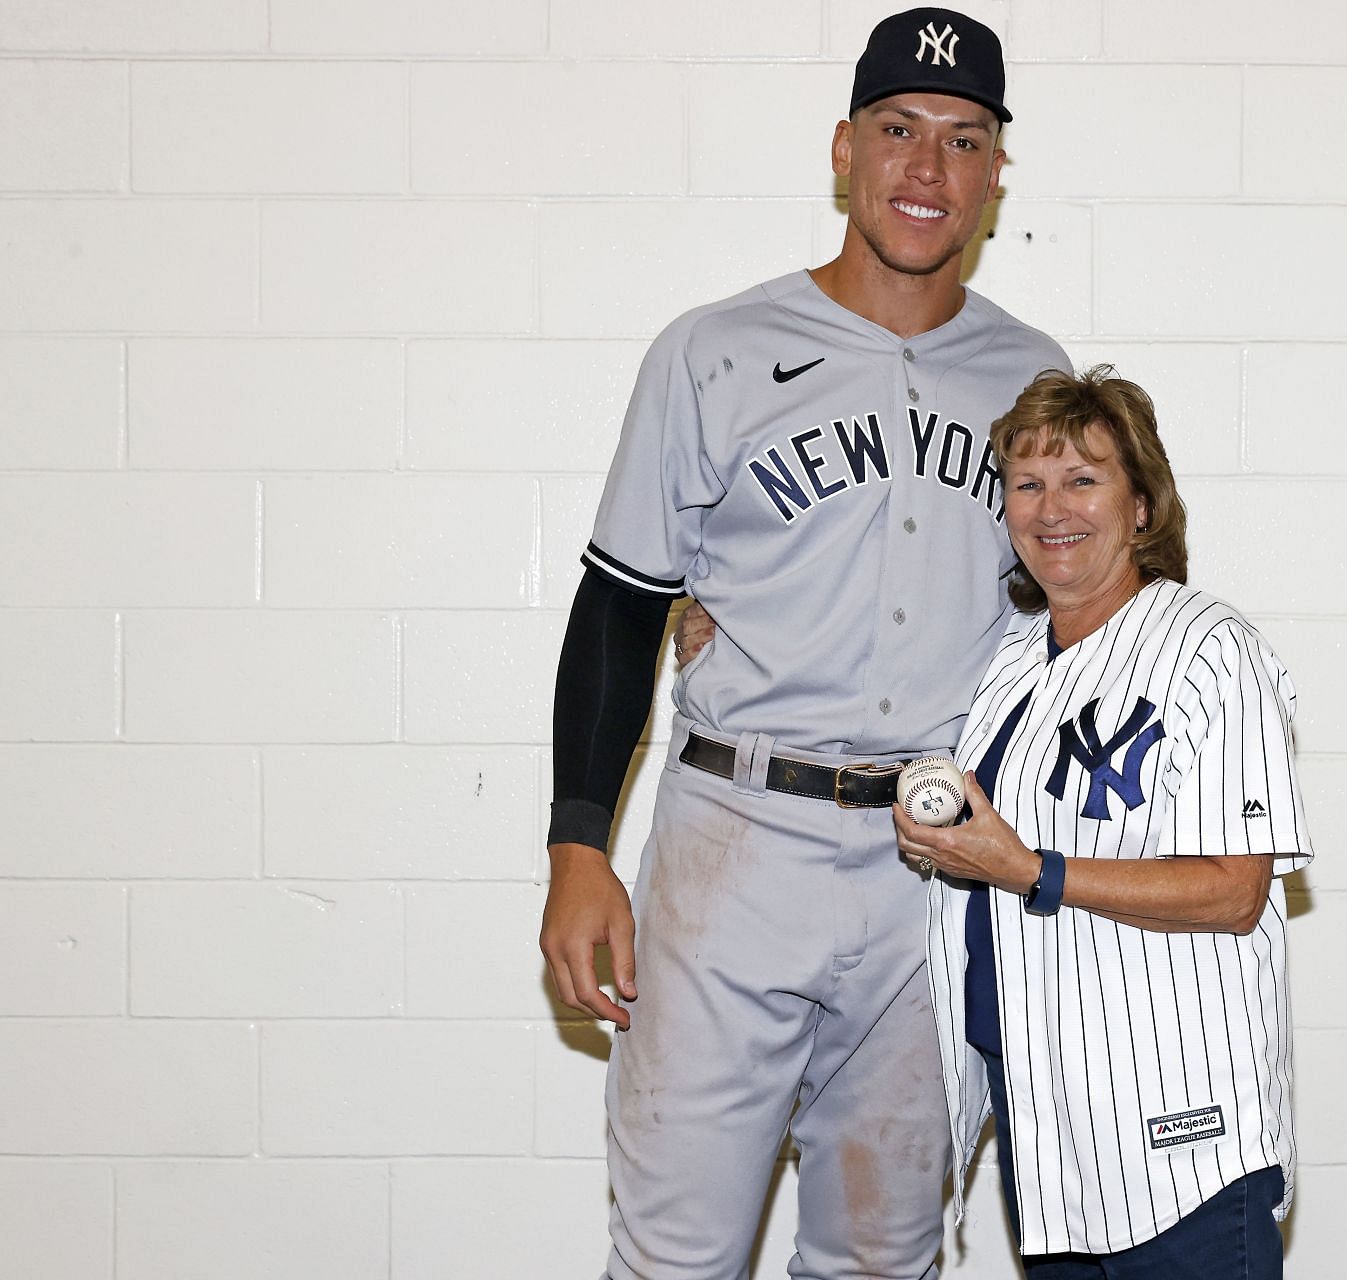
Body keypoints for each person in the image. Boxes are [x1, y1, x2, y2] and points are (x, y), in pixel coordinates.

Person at [537, 9, 1070, 1279]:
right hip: (741, 840)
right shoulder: (714, 351)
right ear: (845, 151)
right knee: (676, 1254)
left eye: (962, 139)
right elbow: (617, 606)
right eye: (898, 131)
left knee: (885, 1258)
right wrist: (575, 847)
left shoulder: (1035, 378)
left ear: (997, 173)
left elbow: (1080, 628)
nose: (927, 168)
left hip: (935, 862)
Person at [894, 368, 1313, 1278]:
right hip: (1048, 1134)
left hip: (1182, 1142)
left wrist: (1031, 869)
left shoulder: (1209, 648)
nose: (1053, 509)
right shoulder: (1007, 657)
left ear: (1143, 505)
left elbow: (1235, 892)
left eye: (1083, 479)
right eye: (1027, 484)